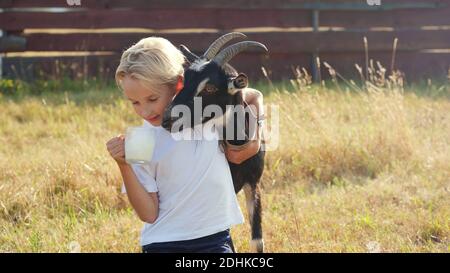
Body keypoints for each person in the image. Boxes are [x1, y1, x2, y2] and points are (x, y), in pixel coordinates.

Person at [106, 36, 264, 253]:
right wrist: (124, 165)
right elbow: (148, 214)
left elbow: (253, 95)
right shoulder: (140, 141)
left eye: (152, 99)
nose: (144, 111)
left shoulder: (204, 119)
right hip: (163, 243)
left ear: (179, 85)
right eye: (135, 102)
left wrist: (254, 140)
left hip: (215, 239)